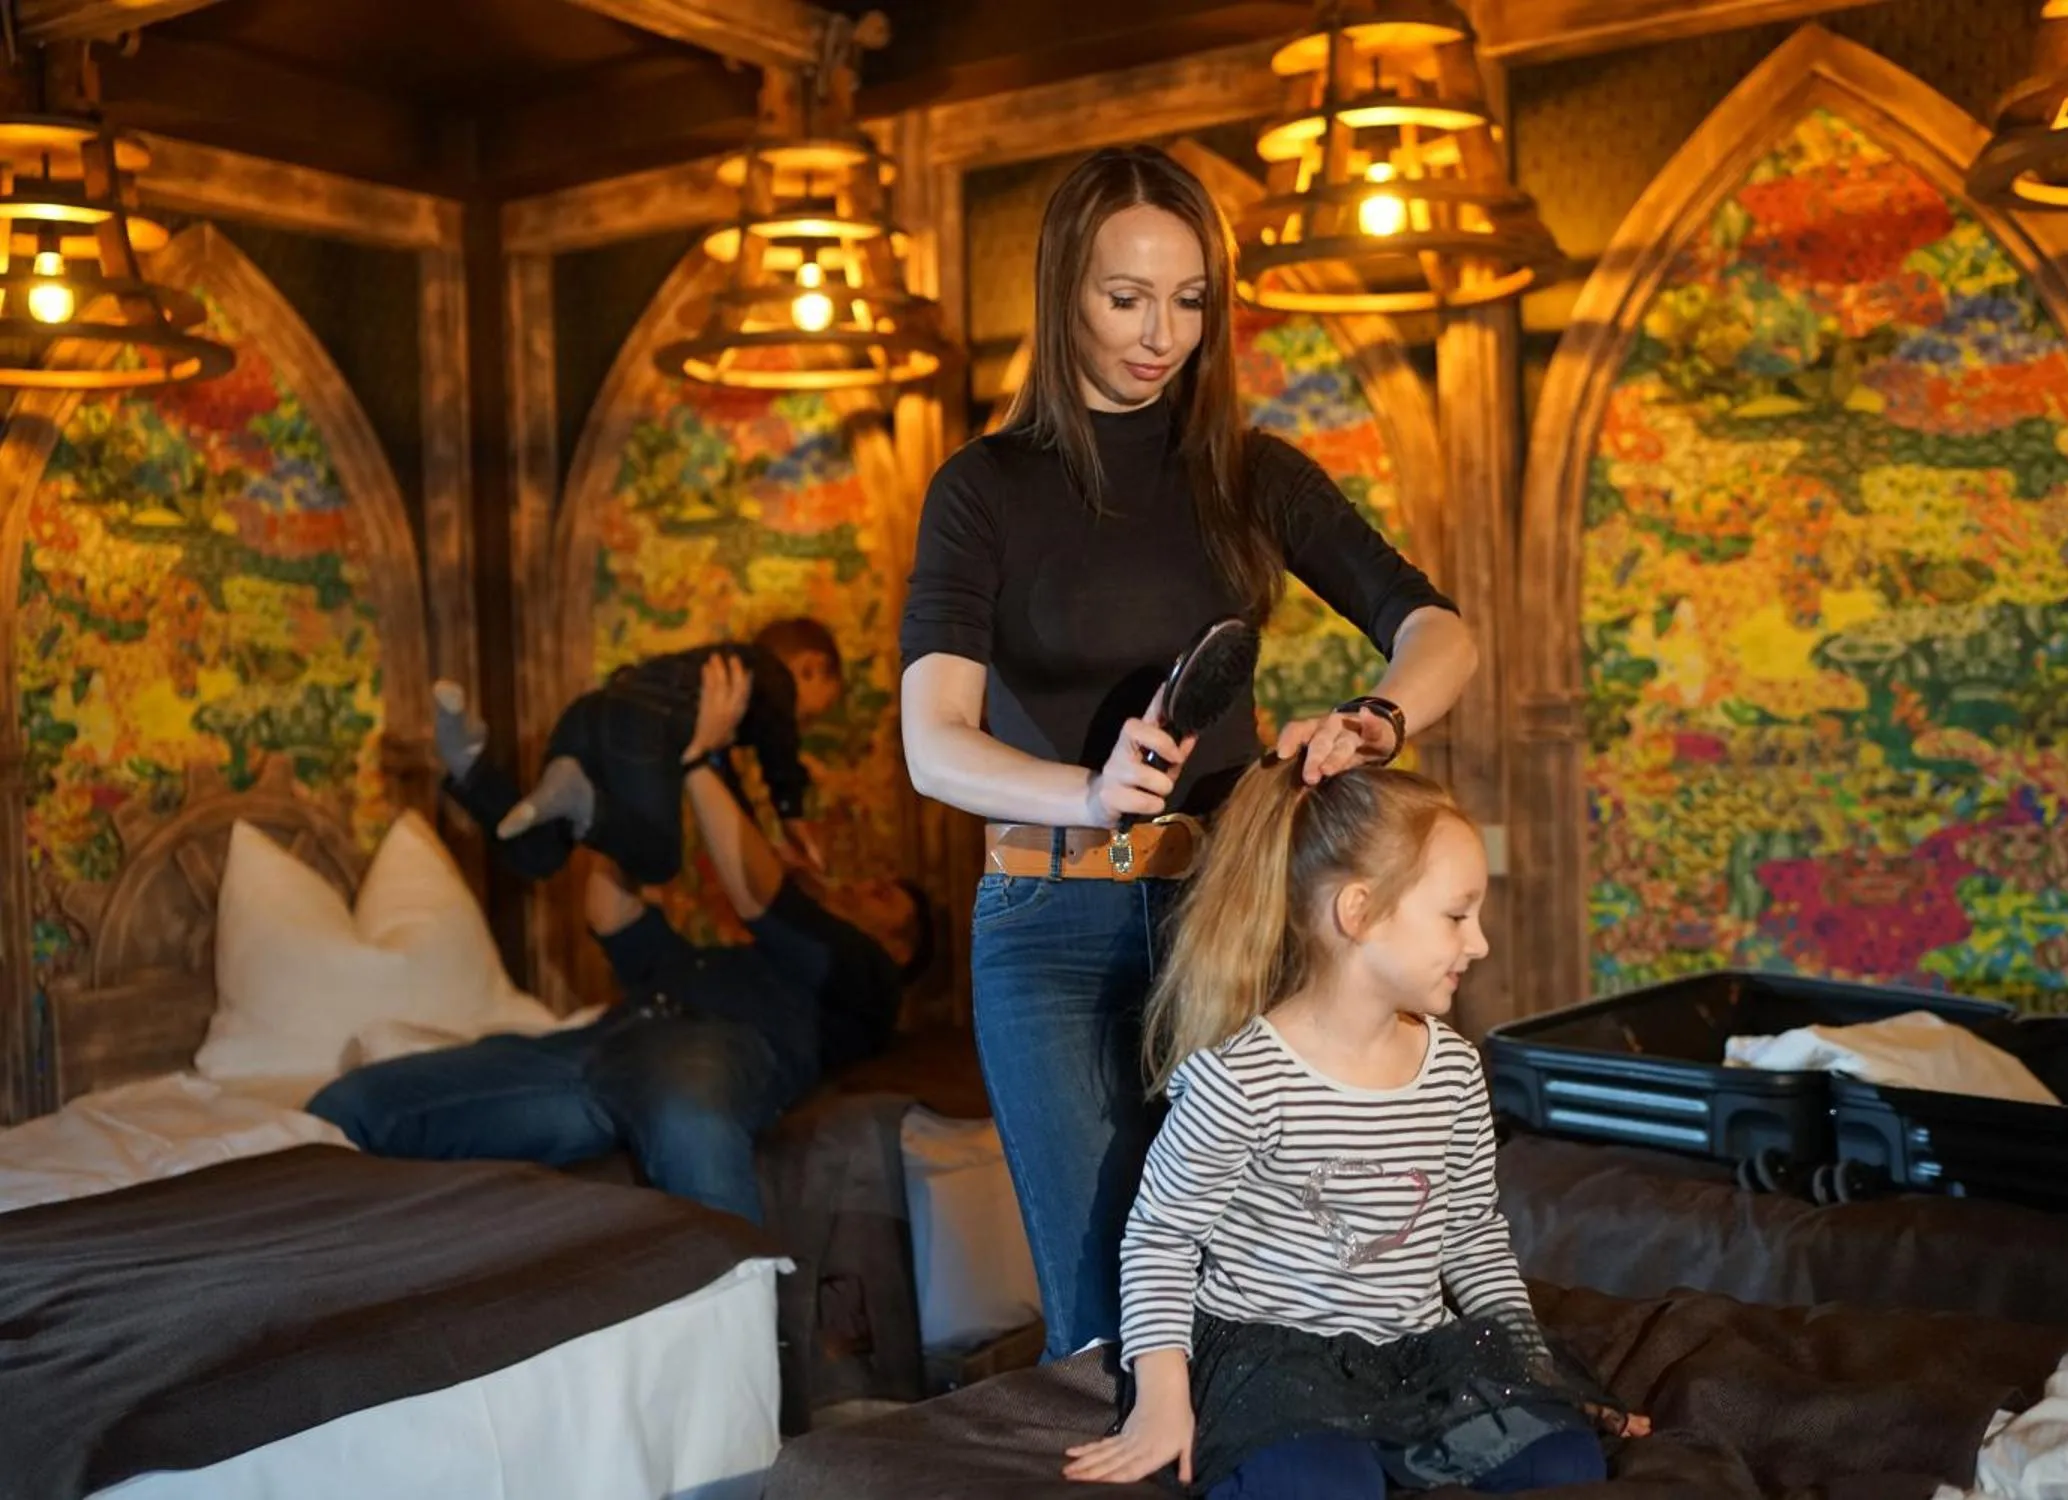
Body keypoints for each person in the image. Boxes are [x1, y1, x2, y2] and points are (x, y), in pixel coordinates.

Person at [899, 144, 1477, 1359]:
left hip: (1229, 914)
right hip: (1047, 934)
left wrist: (1377, 718)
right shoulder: (983, 489)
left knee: (1261, 1286)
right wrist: (1090, 787)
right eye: (1126, 298)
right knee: (1106, 1316)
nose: (1160, 333)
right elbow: (933, 745)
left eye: (1190, 299)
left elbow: (1439, 632)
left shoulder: (1246, 474)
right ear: (1064, 294)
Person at [1063, 760, 1647, 1497]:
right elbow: (1161, 1238)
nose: (1480, 945)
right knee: (1323, 1483)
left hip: (1412, 1360)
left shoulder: (1455, 1072)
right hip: (1274, 1368)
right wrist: (1161, 1401)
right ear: (1359, 911)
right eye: (1457, 915)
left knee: (1561, 1459)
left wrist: (1531, 1370)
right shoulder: (1242, 1078)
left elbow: (1470, 1233)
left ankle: (1402, 1452)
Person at [311, 659, 931, 1225]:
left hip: (706, 1050)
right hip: (596, 1049)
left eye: (881, 898)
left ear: (899, 951)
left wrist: (697, 760)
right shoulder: (720, 963)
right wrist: (619, 809)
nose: (860, 887)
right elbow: (611, 913)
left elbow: (759, 898)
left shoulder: (864, 979)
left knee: (691, 1122)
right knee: (354, 1103)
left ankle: (743, 1334)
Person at [432, 616, 848, 888]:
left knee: (538, 854)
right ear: (810, 667)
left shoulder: (716, 691)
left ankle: (469, 763)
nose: (799, 727)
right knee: (658, 860)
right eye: (809, 716)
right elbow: (781, 750)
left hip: (591, 717)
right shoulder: (766, 674)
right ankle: (581, 800)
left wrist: (756, 840)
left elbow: (723, 781)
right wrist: (791, 813)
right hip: (641, 731)